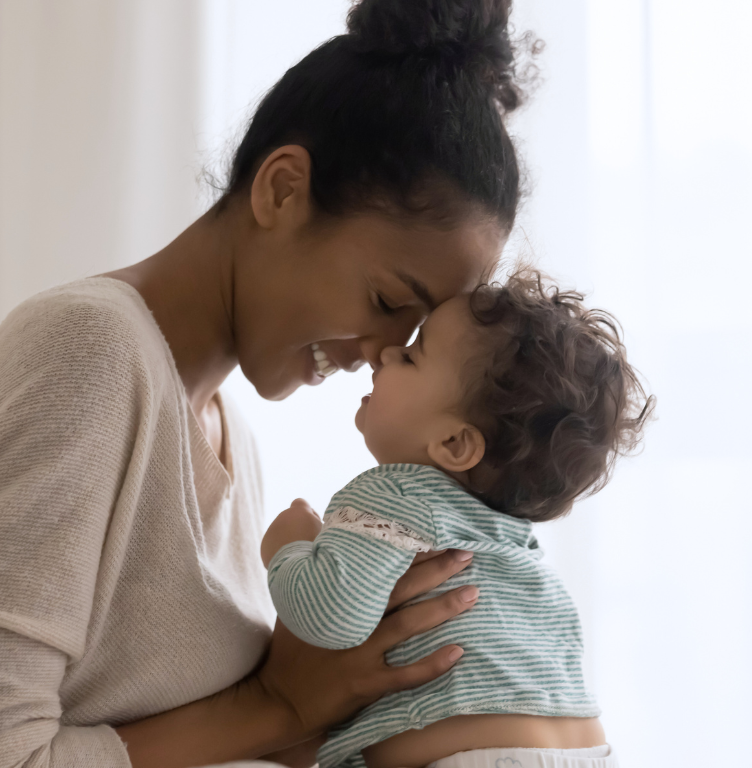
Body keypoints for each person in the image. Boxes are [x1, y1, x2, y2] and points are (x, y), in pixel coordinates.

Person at [0, 1, 537, 766]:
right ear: (281, 190)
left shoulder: (228, 432)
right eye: (383, 302)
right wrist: (276, 704)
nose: (381, 353)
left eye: (413, 336)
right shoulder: (90, 355)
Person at [261, 271, 655, 768]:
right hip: (589, 749)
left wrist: (288, 547)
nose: (385, 353)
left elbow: (329, 614)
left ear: (454, 444)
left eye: (410, 355)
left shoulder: (397, 491)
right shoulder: (516, 548)